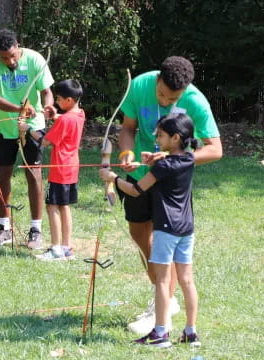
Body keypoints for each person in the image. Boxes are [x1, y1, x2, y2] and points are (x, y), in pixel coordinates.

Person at [115, 56, 223, 334]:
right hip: (140, 175)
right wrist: (126, 154)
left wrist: (175, 158)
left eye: (173, 98)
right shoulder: (140, 85)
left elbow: (215, 149)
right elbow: (128, 128)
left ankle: (161, 306)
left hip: (170, 187)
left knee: (165, 243)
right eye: (162, 94)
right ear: (157, 80)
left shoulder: (197, 101)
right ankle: (163, 295)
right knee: (140, 237)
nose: (165, 101)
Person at [100, 113, 202, 348]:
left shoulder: (164, 166)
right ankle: (190, 332)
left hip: (166, 228)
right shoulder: (188, 158)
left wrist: (113, 178)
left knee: (163, 282)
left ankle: (160, 333)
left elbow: (136, 189)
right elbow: (167, 165)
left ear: (176, 137)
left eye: (161, 135)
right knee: (187, 280)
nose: (156, 137)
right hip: (186, 229)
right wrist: (153, 161)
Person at [0, 29, 54, 249]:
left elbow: (46, 91)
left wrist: (49, 106)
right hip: (4, 128)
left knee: (34, 175)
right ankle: (5, 228)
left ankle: (36, 229)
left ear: (18, 45)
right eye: (4, 58)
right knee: (3, 174)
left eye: (13, 55)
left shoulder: (34, 59)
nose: (10, 61)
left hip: (33, 127)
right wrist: (18, 108)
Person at [18, 79, 85, 260]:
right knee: (64, 207)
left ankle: (56, 249)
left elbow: (46, 140)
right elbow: (65, 119)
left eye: (59, 99)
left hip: (59, 169)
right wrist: (53, 116)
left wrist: (27, 128)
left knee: (51, 206)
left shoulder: (65, 121)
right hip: (71, 167)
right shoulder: (79, 114)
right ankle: (66, 247)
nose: (56, 102)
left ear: (69, 100)